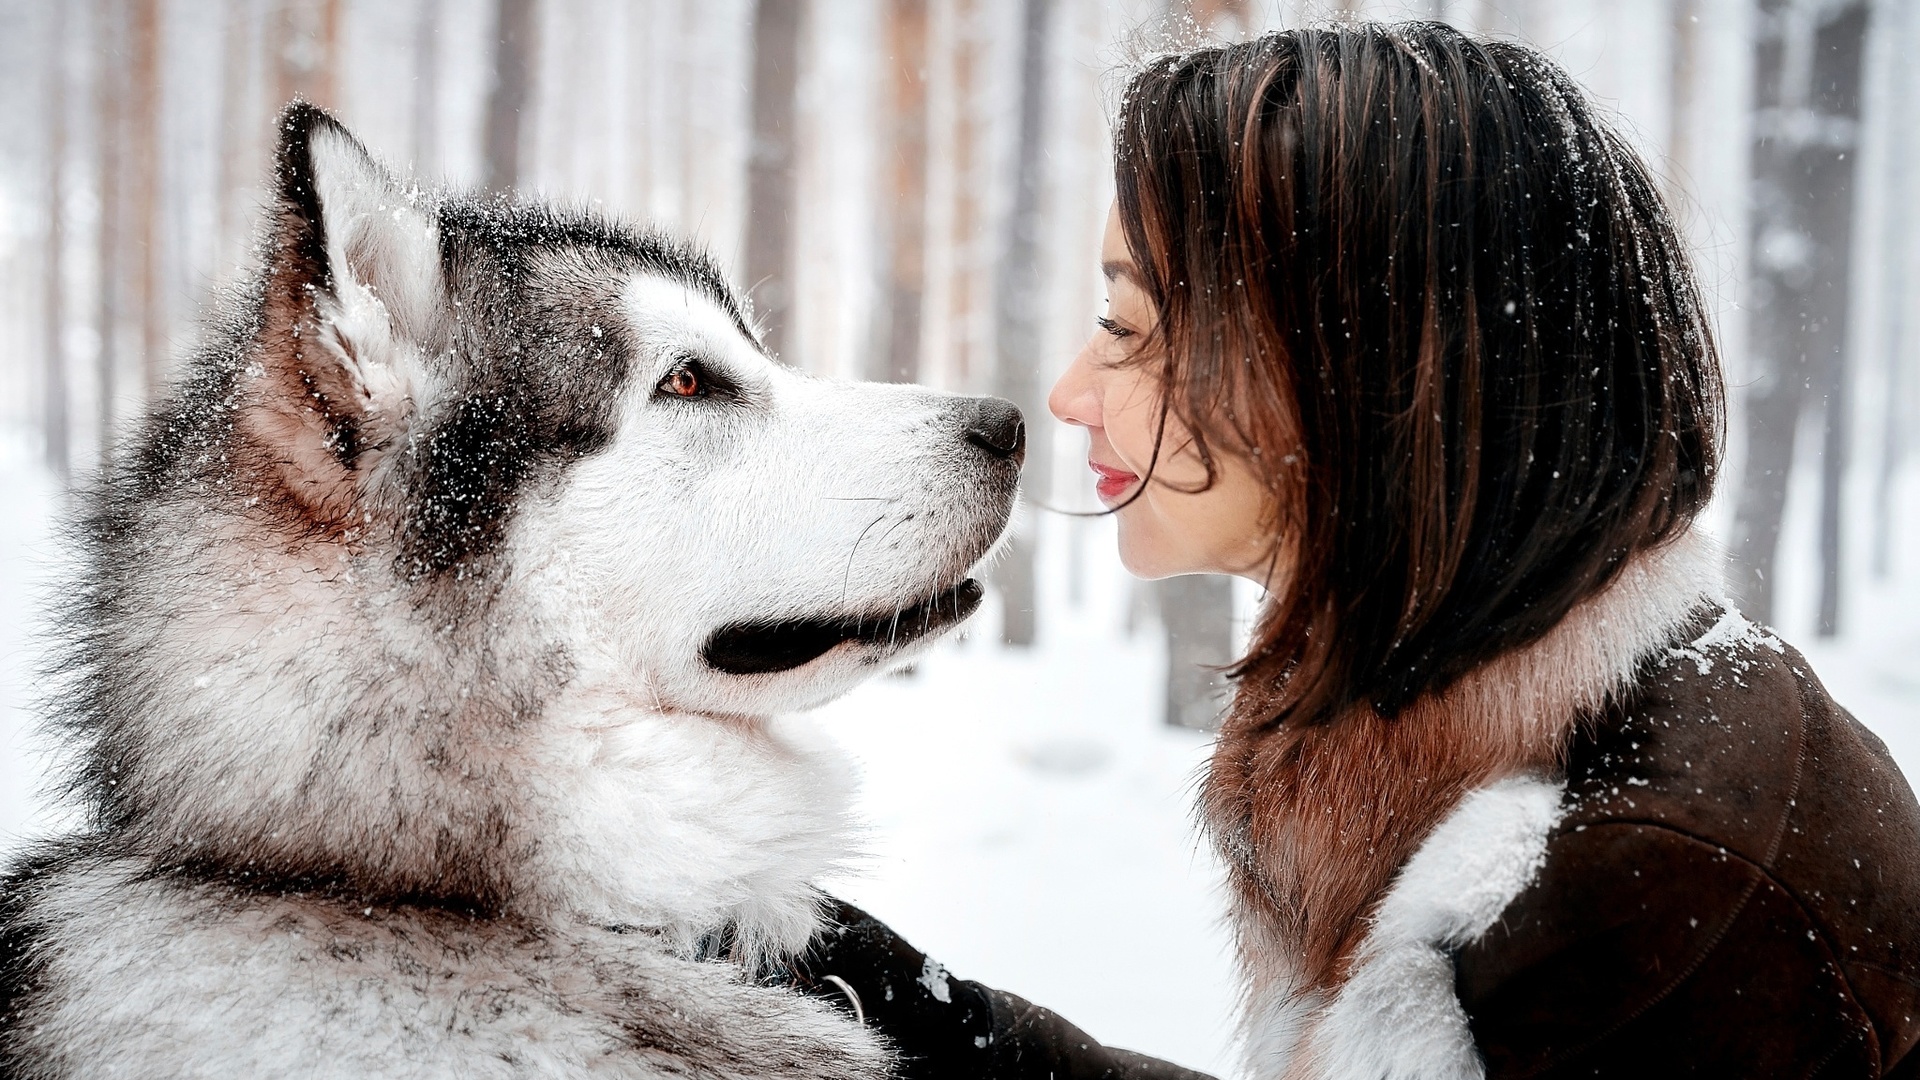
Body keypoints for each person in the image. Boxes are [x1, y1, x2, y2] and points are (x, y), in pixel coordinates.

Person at [791, 21, 1920, 1080]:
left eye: (1130, 330)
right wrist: (929, 1025)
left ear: (1354, 374)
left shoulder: (1660, 888)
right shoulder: (1480, 732)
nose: (1072, 394)